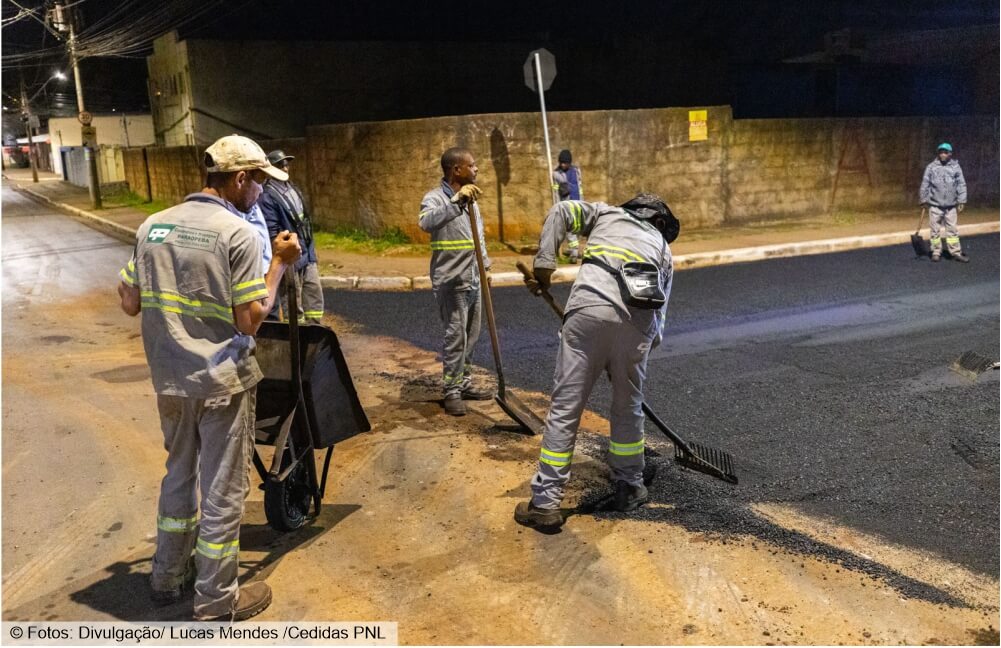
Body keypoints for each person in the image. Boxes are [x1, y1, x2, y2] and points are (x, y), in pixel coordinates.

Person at [117, 134, 301, 621]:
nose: (260, 192)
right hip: (220, 381)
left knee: (178, 474)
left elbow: (130, 301)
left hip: (170, 380)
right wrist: (279, 265)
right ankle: (217, 600)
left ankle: (166, 577)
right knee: (223, 490)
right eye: (258, 182)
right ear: (239, 178)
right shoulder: (235, 234)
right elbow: (250, 319)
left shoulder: (153, 225)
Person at [514, 193, 679, 530]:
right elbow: (659, 321)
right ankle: (629, 486)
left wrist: (544, 266)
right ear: (658, 221)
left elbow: (561, 210)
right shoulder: (664, 250)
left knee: (566, 408)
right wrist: (629, 358)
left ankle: (545, 503)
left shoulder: (604, 214)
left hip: (588, 313)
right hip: (637, 328)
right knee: (627, 408)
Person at [418, 147, 495, 416]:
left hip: (473, 278)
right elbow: (426, 223)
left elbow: (478, 237)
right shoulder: (435, 198)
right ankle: (451, 391)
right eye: (472, 165)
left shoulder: (472, 199)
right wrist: (456, 202)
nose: (476, 169)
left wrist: (485, 266)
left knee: (471, 336)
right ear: (456, 170)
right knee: (455, 337)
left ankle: (464, 383)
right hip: (451, 281)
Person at [258, 150, 324, 322]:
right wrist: (284, 256)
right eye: (280, 165)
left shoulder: (292, 188)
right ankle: (296, 335)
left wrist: (311, 251)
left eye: (286, 164)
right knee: (294, 304)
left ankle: (315, 331)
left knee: (314, 295)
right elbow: (272, 232)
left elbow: (305, 220)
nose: (285, 168)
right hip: (291, 256)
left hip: (306, 251)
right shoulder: (267, 196)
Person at [920, 142, 969, 263]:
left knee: (952, 230)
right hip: (935, 205)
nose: (943, 154)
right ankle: (936, 251)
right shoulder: (931, 167)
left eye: (945, 152)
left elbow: (961, 184)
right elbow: (925, 184)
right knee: (935, 231)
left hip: (950, 206)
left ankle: (955, 252)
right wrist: (923, 199)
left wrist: (961, 200)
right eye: (941, 152)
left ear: (950, 154)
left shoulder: (955, 167)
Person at [552, 149, 583, 262]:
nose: (562, 165)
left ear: (569, 163)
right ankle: (574, 252)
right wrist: (557, 205)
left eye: (565, 163)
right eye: (561, 163)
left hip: (578, 203)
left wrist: (583, 202)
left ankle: (574, 249)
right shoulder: (556, 174)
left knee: (578, 227)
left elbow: (580, 186)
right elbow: (555, 191)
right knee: (569, 228)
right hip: (567, 204)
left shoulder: (576, 171)